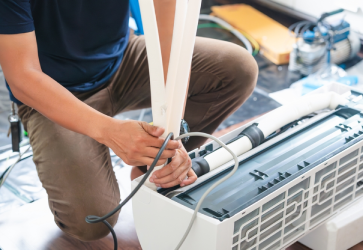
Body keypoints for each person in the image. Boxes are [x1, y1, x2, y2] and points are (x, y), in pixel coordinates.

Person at [0, 0, 258, 242]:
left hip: (122, 60)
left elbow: (169, 40)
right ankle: (131, 151)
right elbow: (23, 76)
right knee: (92, 221)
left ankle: (152, 168)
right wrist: (109, 131)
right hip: (53, 88)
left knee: (237, 68)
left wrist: (171, 129)